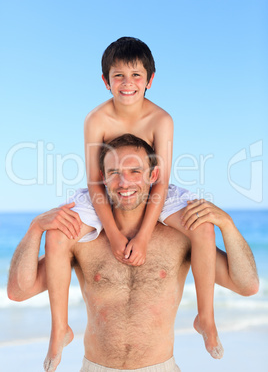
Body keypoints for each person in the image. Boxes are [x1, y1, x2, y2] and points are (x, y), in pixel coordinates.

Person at [7, 134, 259, 372]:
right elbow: (18, 291)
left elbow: (247, 285)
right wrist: (35, 227)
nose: (124, 183)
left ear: (153, 175)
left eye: (135, 172)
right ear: (102, 179)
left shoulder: (180, 237)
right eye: (114, 173)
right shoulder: (81, 238)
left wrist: (227, 224)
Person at [44, 37, 223, 370]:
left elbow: (162, 182)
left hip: (153, 187)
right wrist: (112, 234)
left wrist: (141, 236)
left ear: (150, 80)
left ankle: (205, 318)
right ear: (105, 81)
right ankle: (60, 329)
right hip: (106, 188)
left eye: (137, 75)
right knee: (56, 236)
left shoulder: (161, 120)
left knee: (204, 229)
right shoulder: (96, 119)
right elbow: (95, 181)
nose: (128, 84)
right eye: (119, 76)